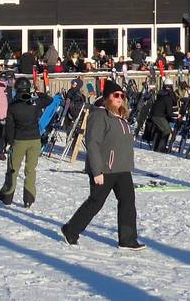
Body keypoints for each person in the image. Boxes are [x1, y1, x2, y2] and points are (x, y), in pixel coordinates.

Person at [61, 80, 145, 250]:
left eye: (122, 95)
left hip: (122, 169)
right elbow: (93, 143)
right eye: (116, 95)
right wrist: (96, 170)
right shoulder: (99, 115)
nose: (120, 98)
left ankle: (127, 239)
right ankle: (71, 229)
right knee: (96, 202)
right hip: (104, 169)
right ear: (107, 98)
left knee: (128, 202)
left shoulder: (121, 117)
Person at [0, 76, 45, 208]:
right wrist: (38, 92)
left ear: (16, 89)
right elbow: (48, 100)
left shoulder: (13, 106)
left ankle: (7, 196)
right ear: (29, 89)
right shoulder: (34, 103)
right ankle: (28, 199)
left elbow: (10, 126)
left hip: (20, 140)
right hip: (35, 140)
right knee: (31, 170)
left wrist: (10, 141)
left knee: (13, 169)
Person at [149, 77, 177, 152]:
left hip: (156, 114)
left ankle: (157, 147)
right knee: (167, 131)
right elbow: (169, 112)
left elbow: (166, 108)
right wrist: (177, 115)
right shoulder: (168, 97)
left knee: (161, 130)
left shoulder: (161, 94)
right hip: (158, 116)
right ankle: (160, 148)